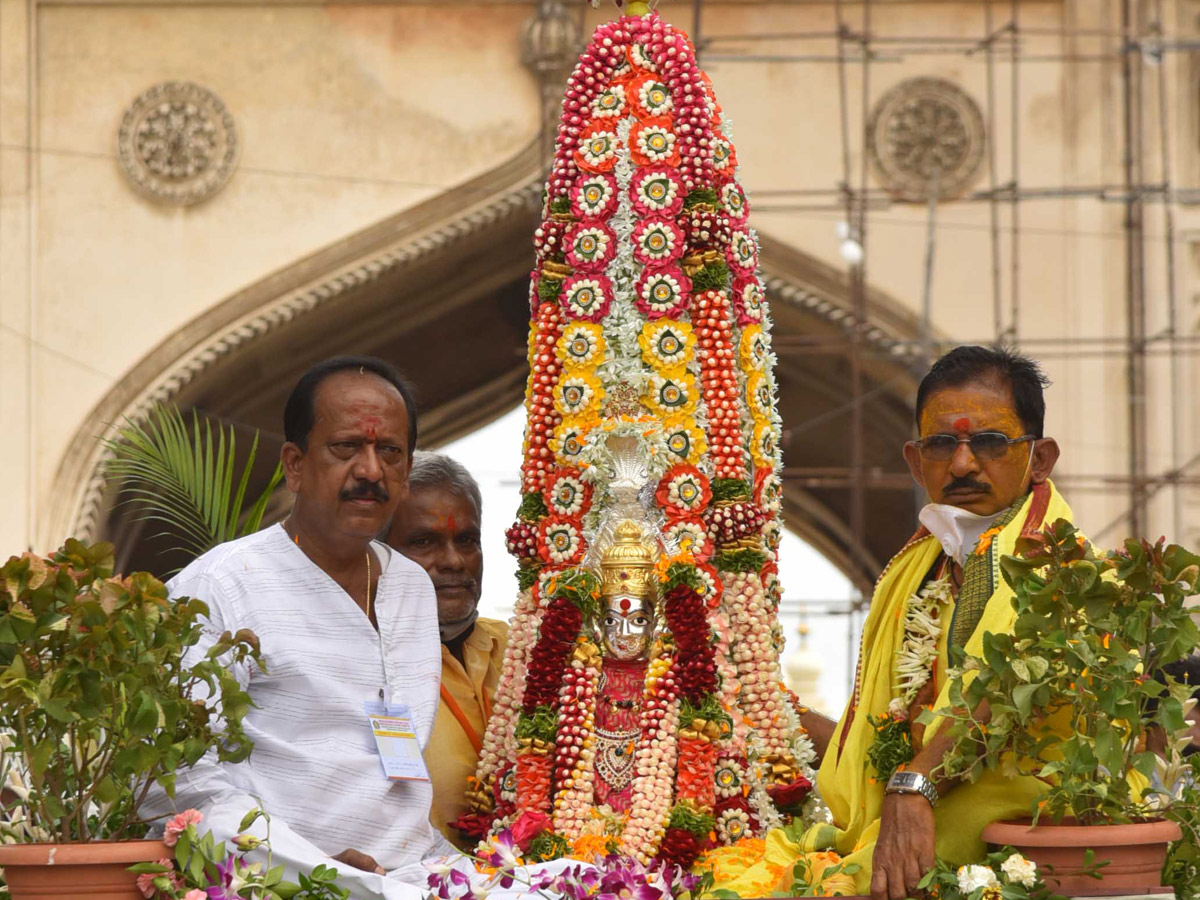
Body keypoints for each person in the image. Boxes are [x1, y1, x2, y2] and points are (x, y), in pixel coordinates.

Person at [142, 356, 457, 898]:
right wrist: (308, 864)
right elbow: (172, 780)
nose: (370, 472)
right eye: (345, 448)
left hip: (411, 869)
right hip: (280, 873)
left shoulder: (410, 585)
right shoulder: (222, 584)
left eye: (389, 452)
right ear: (294, 464)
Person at [792, 345, 1070, 899]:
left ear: (1040, 459)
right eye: (943, 444)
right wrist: (773, 718)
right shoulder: (915, 569)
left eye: (990, 442)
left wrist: (915, 783)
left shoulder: (1066, 569)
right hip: (899, 833)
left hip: (1017, 846)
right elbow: (878, 742)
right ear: (917, 462)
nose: (963, 464)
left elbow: (1013, 683)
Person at [386, 452, 508, 849]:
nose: (454, 561)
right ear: (377, 553)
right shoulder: (366, 665)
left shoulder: (525, 647)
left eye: (467, 540)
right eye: (424, 542)